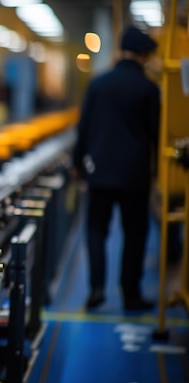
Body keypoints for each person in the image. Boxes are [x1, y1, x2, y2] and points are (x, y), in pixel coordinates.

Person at [72, 25, 160, 311]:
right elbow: (155, 133)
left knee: (97, 230)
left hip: (100, 171)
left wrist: (77, 163)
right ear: (144, 55)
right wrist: (157, 173)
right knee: (134, 234)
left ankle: (96, 288)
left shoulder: (99, 84)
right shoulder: (149, 88)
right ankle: (130, 294)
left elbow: (84, 128)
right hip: (135, 174)